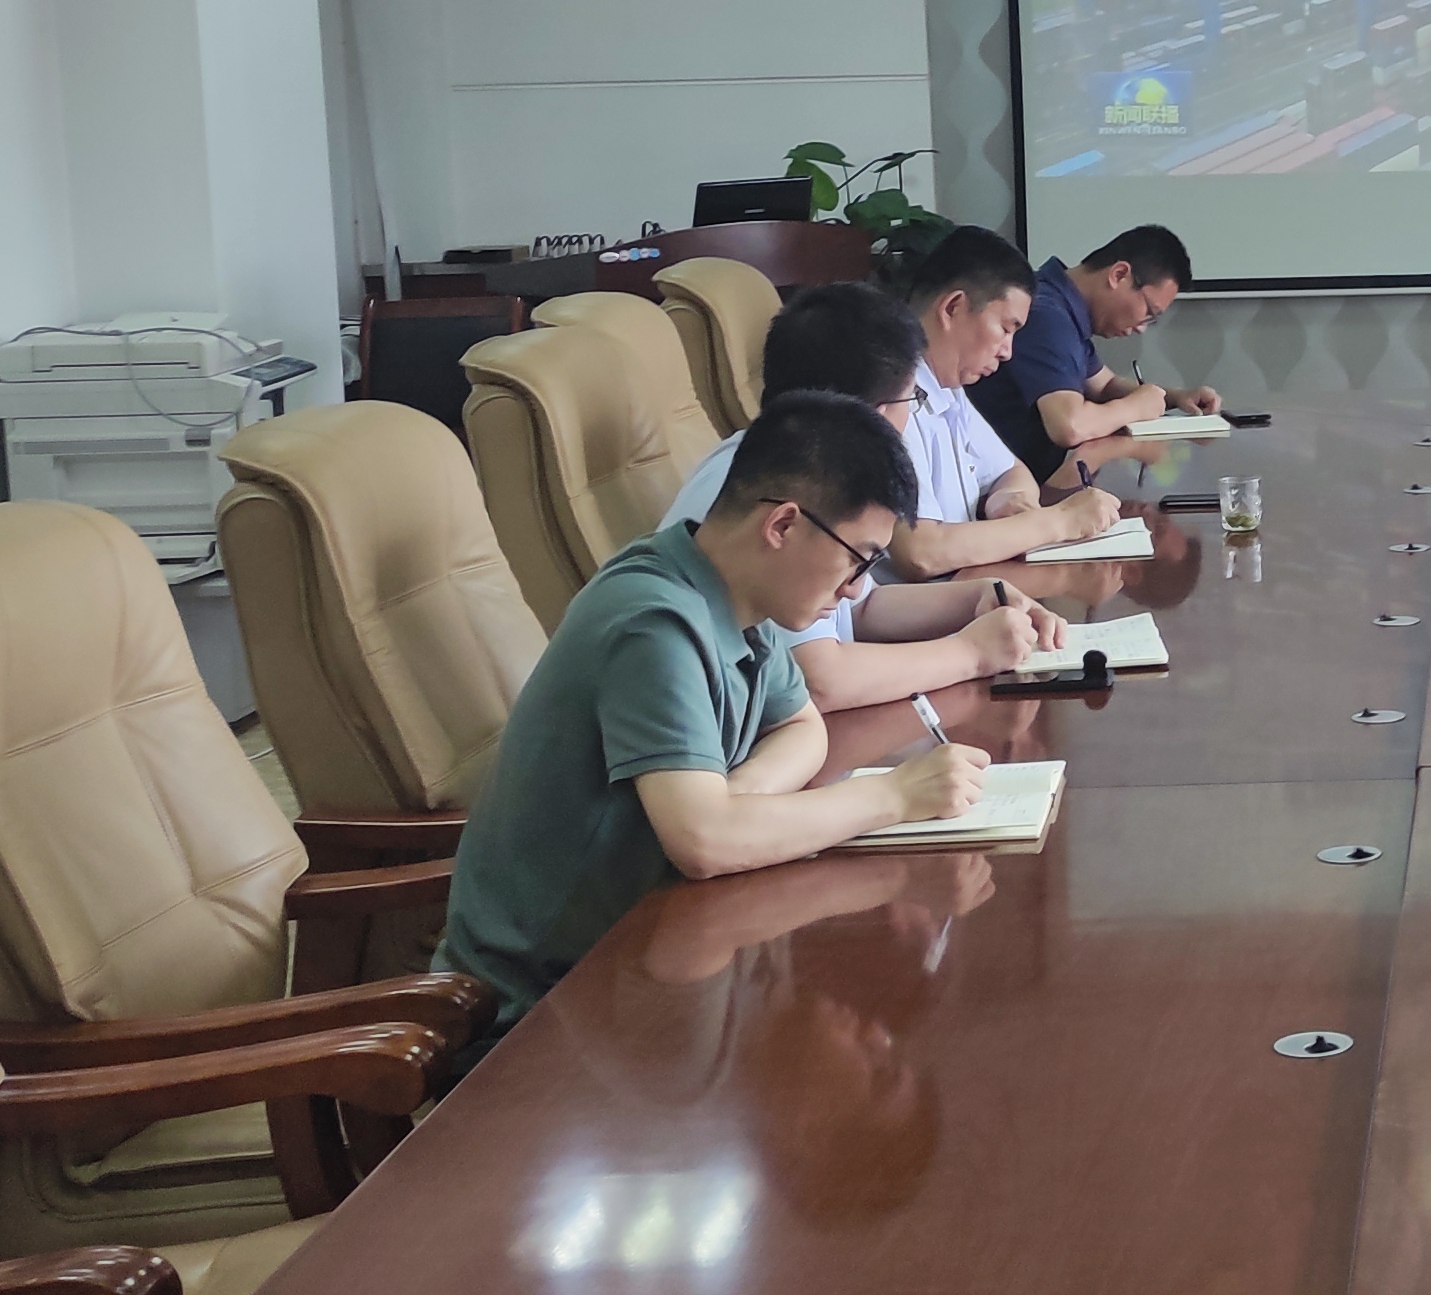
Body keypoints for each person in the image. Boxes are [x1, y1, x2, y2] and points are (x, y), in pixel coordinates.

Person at [443, 386, 991, 1029]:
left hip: (651, 960)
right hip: (542, 1012)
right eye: (857, 559)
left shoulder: (737, 598)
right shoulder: (653, 623)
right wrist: (893, 797)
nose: (856, 588)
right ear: (782, 525)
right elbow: (703, 842)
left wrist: (738, 800)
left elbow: (801, 725)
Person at [656, 283, 1073, 704]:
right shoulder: (775, 485)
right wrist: (972, 654)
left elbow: (861, 608)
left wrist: (979, 596)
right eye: (912, 398)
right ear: (874, 411)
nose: (911, 417)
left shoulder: (805, 464)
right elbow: (821, 679)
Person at [880, 228, 1141, 573]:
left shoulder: (948, 387)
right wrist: (1056, 522)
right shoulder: (888, 394)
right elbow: (921, 553)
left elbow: (1012, 471)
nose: (1008, 352)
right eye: (1006, 328)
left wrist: (1012, 504)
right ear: (953, 307)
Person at [991, 223, 1216, 471]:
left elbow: (1105, 386)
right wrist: (1134, 407)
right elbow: (1069, 427)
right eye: (1148, 312)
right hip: (1005, 489)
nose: (1142, 328)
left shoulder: (1063, 306)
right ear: (1118, 275)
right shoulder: (1048, 316)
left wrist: (1175, 398)